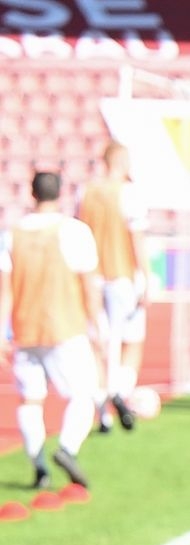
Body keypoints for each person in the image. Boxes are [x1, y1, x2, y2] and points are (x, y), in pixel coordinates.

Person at [1, 171, 102, 503]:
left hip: (25, 329)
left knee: (31, 400)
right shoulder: (74, 232)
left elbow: (5, 291)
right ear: (60, 194)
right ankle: (67, 449)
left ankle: (40, 467)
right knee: (83, 395)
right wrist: (98, 326)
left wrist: (2, 331)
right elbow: (88, 285)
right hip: (64, 326)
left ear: (32, 194)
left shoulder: (11, 235)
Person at [76, 141, 147, 434]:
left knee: (99, 344)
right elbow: (136, 239)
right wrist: (145, 277)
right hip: (121, 276)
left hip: (92, 277)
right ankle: (118, 390)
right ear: (121, 162)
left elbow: (79, 234)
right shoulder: (129, 193)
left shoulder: (85, 192)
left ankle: (102, 412)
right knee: (130, 341)